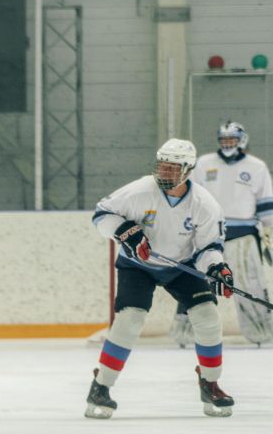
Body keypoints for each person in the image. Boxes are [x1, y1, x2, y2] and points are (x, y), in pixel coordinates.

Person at [87, 138, 235, 419]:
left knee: (207, 316)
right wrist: (124, 230)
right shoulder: (139, 190)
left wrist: (217, 268)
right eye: (162, 166)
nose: (165, 172)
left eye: (173, 168)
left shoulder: (204, 204)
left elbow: (209, 248)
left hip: (181, 266)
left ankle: (210, 383)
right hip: (137, 266)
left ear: (188, 170)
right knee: (130, 320)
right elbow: (101, 215)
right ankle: (101, 386)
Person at [169, 120, 273, 346]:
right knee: (197, 283)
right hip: (206, 234)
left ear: (242, 140)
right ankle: (186, 333)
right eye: (224, 139)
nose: (227, 143)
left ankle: (261, 333)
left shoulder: (257, 167)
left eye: (232, 139)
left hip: (243, 235)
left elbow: (266, 204)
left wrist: (269, 231)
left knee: (250, 284)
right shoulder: (204, 163)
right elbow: (190, 197)